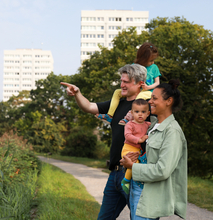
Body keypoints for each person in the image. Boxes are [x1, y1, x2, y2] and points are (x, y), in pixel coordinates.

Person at [60, 63, 147, 220]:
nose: (122, 85)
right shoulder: (117, 104)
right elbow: (89, 107)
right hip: (114, 174)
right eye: (121, 81)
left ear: (140, 83)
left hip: (134, 175)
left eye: (126, 82)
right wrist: (77, 93)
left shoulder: (147, 108)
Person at [120, 79, 187, 220]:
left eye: (154, 98)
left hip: (148, 194)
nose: (150, 101)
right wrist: (130, 159)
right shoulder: (152, 125)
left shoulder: (172, 131)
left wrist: (133, 167)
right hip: (137, 188)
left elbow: (163, 170)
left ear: (168, 101)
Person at [95, 42, 161, 126]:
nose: (152, 62)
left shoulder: (154, 67)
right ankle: (110, 116)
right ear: (143, 58)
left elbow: (157, 83)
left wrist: (148, 87)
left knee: (140, 97)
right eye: (151, 60)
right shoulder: (133, 66)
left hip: (148, 92)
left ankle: (129, 116)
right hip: (136, 90)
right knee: (117, 92)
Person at [121, 99, 151, 194]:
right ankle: (125, 181)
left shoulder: (147, 124)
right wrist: (139, 140)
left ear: (148, 113)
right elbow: (128, 135)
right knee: (134, 163)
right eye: (137, 111)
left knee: (139, 163)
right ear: (132, 113)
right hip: (128, 148)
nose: (140, 114)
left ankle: (134, 184)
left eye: (143, 112)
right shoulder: (130, 124)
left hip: (138, 151)